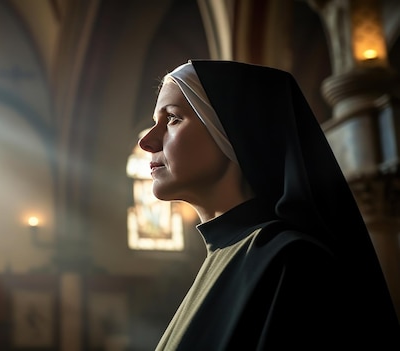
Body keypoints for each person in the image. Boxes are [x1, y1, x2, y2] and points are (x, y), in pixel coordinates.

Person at [138, 60, 400, 350]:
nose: (148, 141)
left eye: (173, 118)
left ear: (234, 130)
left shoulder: (292, 261)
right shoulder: (226, 253)